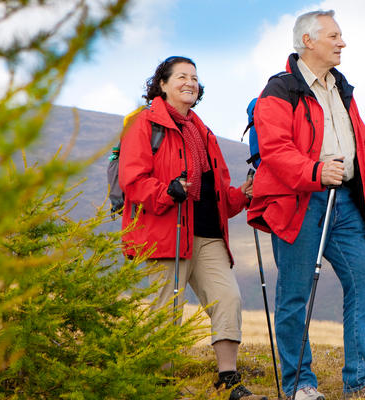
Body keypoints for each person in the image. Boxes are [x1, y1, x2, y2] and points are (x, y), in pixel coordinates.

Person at [247, 10, 365, 400]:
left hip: (344, 203)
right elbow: (274, 151)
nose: (342, 43)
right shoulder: (278, 91)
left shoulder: (342, 89)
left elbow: (361, 149)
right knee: (295, 294)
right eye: (334, 36)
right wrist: (315, 171)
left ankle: (360, 379)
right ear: (308, 41)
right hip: (297, 202)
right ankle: (299, 385)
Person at [119, 56, 266, 400]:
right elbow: (133, 181)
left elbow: (214, 194)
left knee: (228, 298)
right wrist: (166, 191)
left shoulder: (201, 131)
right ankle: (160, 387)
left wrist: (242, 195)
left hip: (207, 234)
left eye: (195, 78)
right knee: (165, 311)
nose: (190, 82)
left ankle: (228, 381)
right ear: (163, 84)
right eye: (182, 76)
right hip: (165, 233)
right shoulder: (144, 125)